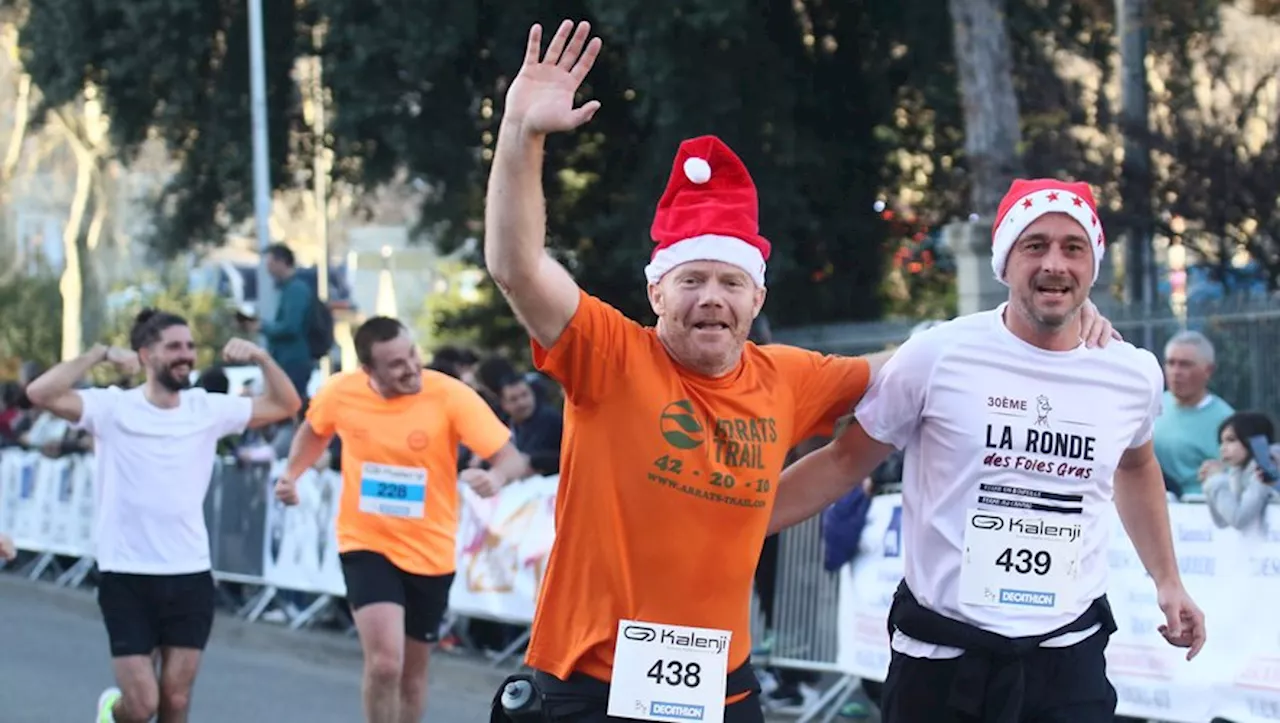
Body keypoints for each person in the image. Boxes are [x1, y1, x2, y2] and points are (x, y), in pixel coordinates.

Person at [483, 20, 1119, 723]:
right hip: (585, 686)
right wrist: (521, 137)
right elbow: (516, 267)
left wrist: (1057, 324)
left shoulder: (788, 377)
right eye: (691, 279)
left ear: (757, 296)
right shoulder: (610, 355)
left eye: (731, 281)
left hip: (716, 687)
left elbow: (930, 354)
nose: (712, 298)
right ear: (656, 291)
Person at [768, 179, 1206, 723]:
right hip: (943, 662)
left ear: (1093, 266)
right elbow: (843, 460)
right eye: (1034, 245)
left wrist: (1168, 579)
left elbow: (1136, 465)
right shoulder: (937, 355)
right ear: (1004, 262)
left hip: (1066, 659)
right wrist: (735, 524)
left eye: (1073, 248)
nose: (1055, 264)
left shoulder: (1131, 372)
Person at [24, 308, 301, 723]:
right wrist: (98, 354)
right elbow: (40, 393)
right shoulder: (112, 408)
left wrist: (262, 359)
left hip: (189, 572)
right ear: (146, 355)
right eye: (173, 347)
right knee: (141, 706)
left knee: (176, 701)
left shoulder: (206, 409)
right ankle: (110, 710)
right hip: (126, 572)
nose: (185, 355)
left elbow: (286, 403)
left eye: (189, 346)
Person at [274, 315, 527, 723]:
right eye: (395, 364)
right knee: (385, 664)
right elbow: (314, 429)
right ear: (368, 370)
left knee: (411, 675)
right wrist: (291, 474)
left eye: (412, 353)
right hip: (365, 542)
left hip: (430, 551)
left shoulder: (449, 395)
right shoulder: (342, 391)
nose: (411, 367)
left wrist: (494, 477)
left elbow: (510, 457)